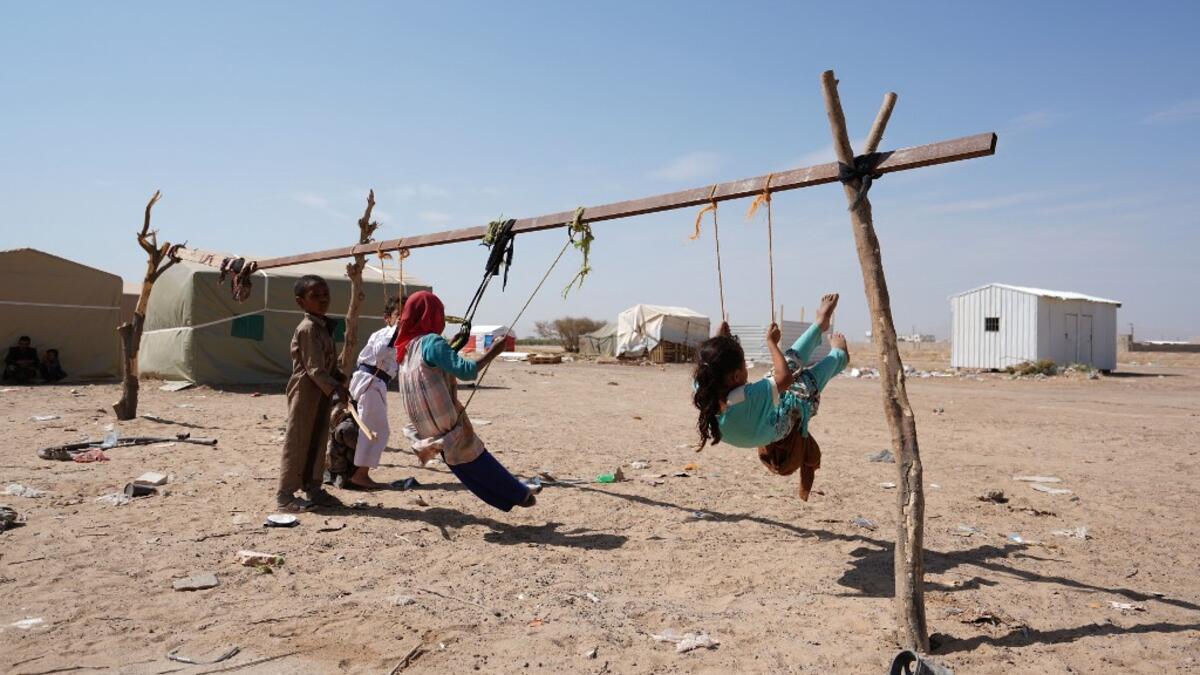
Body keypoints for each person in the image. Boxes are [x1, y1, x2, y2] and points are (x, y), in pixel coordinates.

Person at [692, 293, 848, 500]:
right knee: (803, 385)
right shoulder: (749, 397)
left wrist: (720, 340)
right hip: (773, 430)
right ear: (737, 375)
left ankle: (820, 324)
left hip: (743, 432)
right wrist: (771, 343)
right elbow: (784, 379)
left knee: (789, 366)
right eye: (743, 365)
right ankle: (839, 355)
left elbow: (713, 365)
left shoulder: (703, 386)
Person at [394, 291, 538, 511]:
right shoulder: (432, 341)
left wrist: (450, 349)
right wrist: (494, 351)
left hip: (424, 425)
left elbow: (430, 366)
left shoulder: (405, 346)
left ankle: (509, 498)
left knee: (459, 463)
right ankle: (519, 494)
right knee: (475, 457)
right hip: (443, 418)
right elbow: (467, 372)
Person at [277, 275, 350, 513]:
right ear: (301, 302)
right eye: (315, 296)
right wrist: (336, 387)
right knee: (298, 441)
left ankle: (313, 487)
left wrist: (338, 376)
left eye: (325, 295)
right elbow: (314, 369)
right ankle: (285, 495)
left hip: (322, 391)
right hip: (306, 391)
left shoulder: (322, 326)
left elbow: (326, 365)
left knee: (318, 440)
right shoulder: (308, 328)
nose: (322, 300)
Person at [342, 295, 403, 489]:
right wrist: (396, 330)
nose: (403, 318)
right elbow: (379, 352)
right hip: (371, 381)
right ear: (388, 318)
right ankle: (360, 474)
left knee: (368, 427)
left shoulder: (400, 338)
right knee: (375, 430)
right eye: (398, 314)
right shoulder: (385, 334)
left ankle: (354, 471)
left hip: (375, 382)